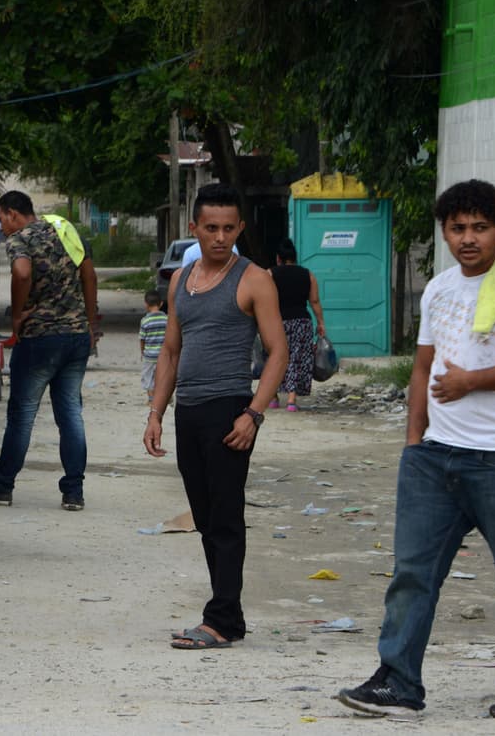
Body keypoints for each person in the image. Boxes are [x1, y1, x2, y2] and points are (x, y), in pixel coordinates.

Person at [337, 179, 495, 721]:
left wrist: (473, 382)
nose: (469, 238)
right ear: (445, 232)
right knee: (411, 574)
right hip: (434, 459)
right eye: (458, 227)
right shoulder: (440, 287)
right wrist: (414, 443)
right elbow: (423, 368)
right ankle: (398, 683)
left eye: (480, 227)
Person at [143, 183, 288, 650]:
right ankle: (230, 615)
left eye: (229, 228)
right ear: (195, 229)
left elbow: (278, 351)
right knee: (206, 517)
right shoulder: (180, 281)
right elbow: (170, 351)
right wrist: (155, 413)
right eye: (211, 228)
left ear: (240, 229)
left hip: (230, 410)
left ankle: (221, 619)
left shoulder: (254, 279)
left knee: (225, 517)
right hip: (189, 410)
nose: (220, 237)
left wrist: (253, 414)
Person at [0, 191, 98, 511]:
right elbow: (88, 274)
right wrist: (90, 324)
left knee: (22, 416)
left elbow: (22, 273)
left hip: (40, 338)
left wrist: (19, 314)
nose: (1, 227)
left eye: (0, 219)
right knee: (69, 414)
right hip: (76, 336)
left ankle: (1, 485)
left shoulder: (20, 239)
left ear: (12, 214)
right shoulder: (65, 230)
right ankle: (73, 492)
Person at [268, 239, 325, 412]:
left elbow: (263, 300)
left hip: (278, 322)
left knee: (274, 357)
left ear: (278, 258)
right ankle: (292, 400)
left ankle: (273, 397)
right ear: (295, 257)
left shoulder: (269, 274)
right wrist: (321, 323)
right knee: (297, 359)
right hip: (302, 322)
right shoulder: (308, 274)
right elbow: (314, 301)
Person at [139, 289, 167, 402]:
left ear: (146, 304)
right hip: (163, 355)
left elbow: (142, 339)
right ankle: (165, 397)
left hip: (149, 355)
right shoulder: (167, 319)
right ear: (161, 304)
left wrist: (142, 352)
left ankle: (151, 399)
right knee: (163, 376)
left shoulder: (145, 321)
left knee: (148, 377)